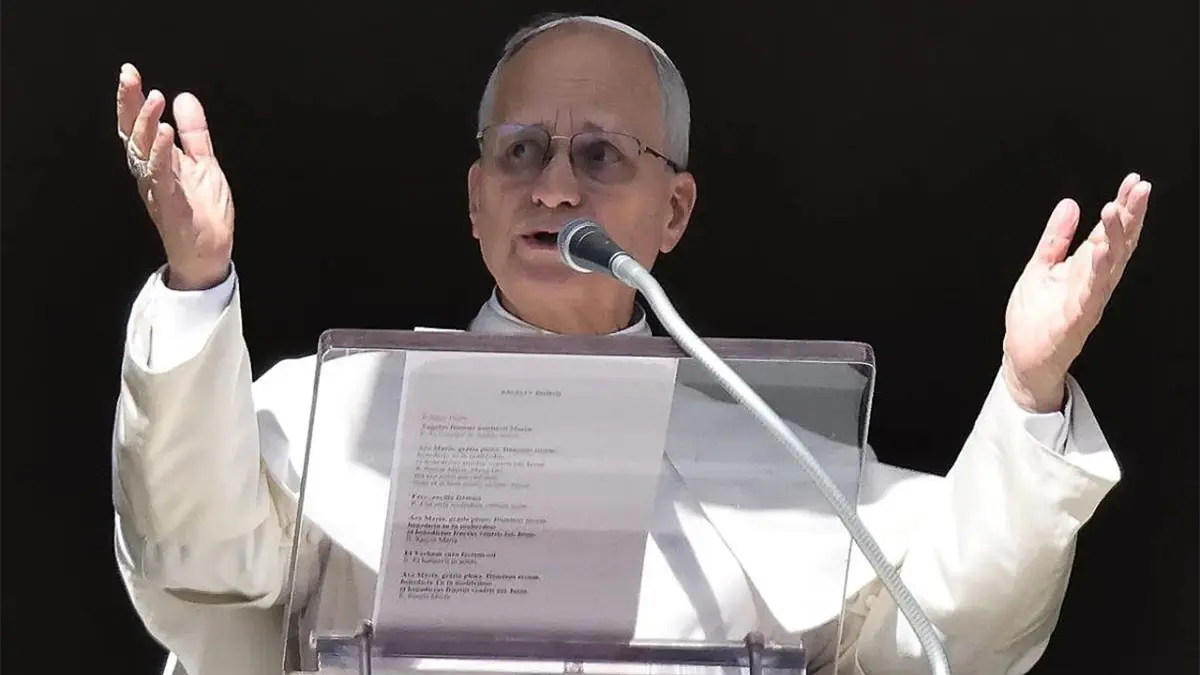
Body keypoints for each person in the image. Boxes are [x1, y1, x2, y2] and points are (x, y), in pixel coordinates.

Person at [111, 13, 1150, 675]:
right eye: (522, 151)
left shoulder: (774, 461)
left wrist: (1030, 387)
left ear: (675, 211)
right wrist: (198, 283)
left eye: (602, 154)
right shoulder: (337, 412)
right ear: (476, 199)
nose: (555, 188)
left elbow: (951, 638)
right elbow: (198, 566)